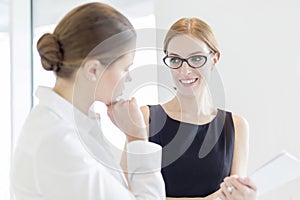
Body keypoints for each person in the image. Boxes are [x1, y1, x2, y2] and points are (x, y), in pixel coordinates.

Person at [11, 2, 165, 200]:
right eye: (125, 68)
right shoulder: (58, 141)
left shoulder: (71, 126)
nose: (129, 78)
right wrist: (137, 139)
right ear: (93, 70)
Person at [140, 18, 257, 200]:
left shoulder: (236, 126)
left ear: (214, 58)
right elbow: (136, 195)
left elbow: (234, 196)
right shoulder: (146, 118)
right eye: (175, 60)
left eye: (196, 58)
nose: (185, 71)